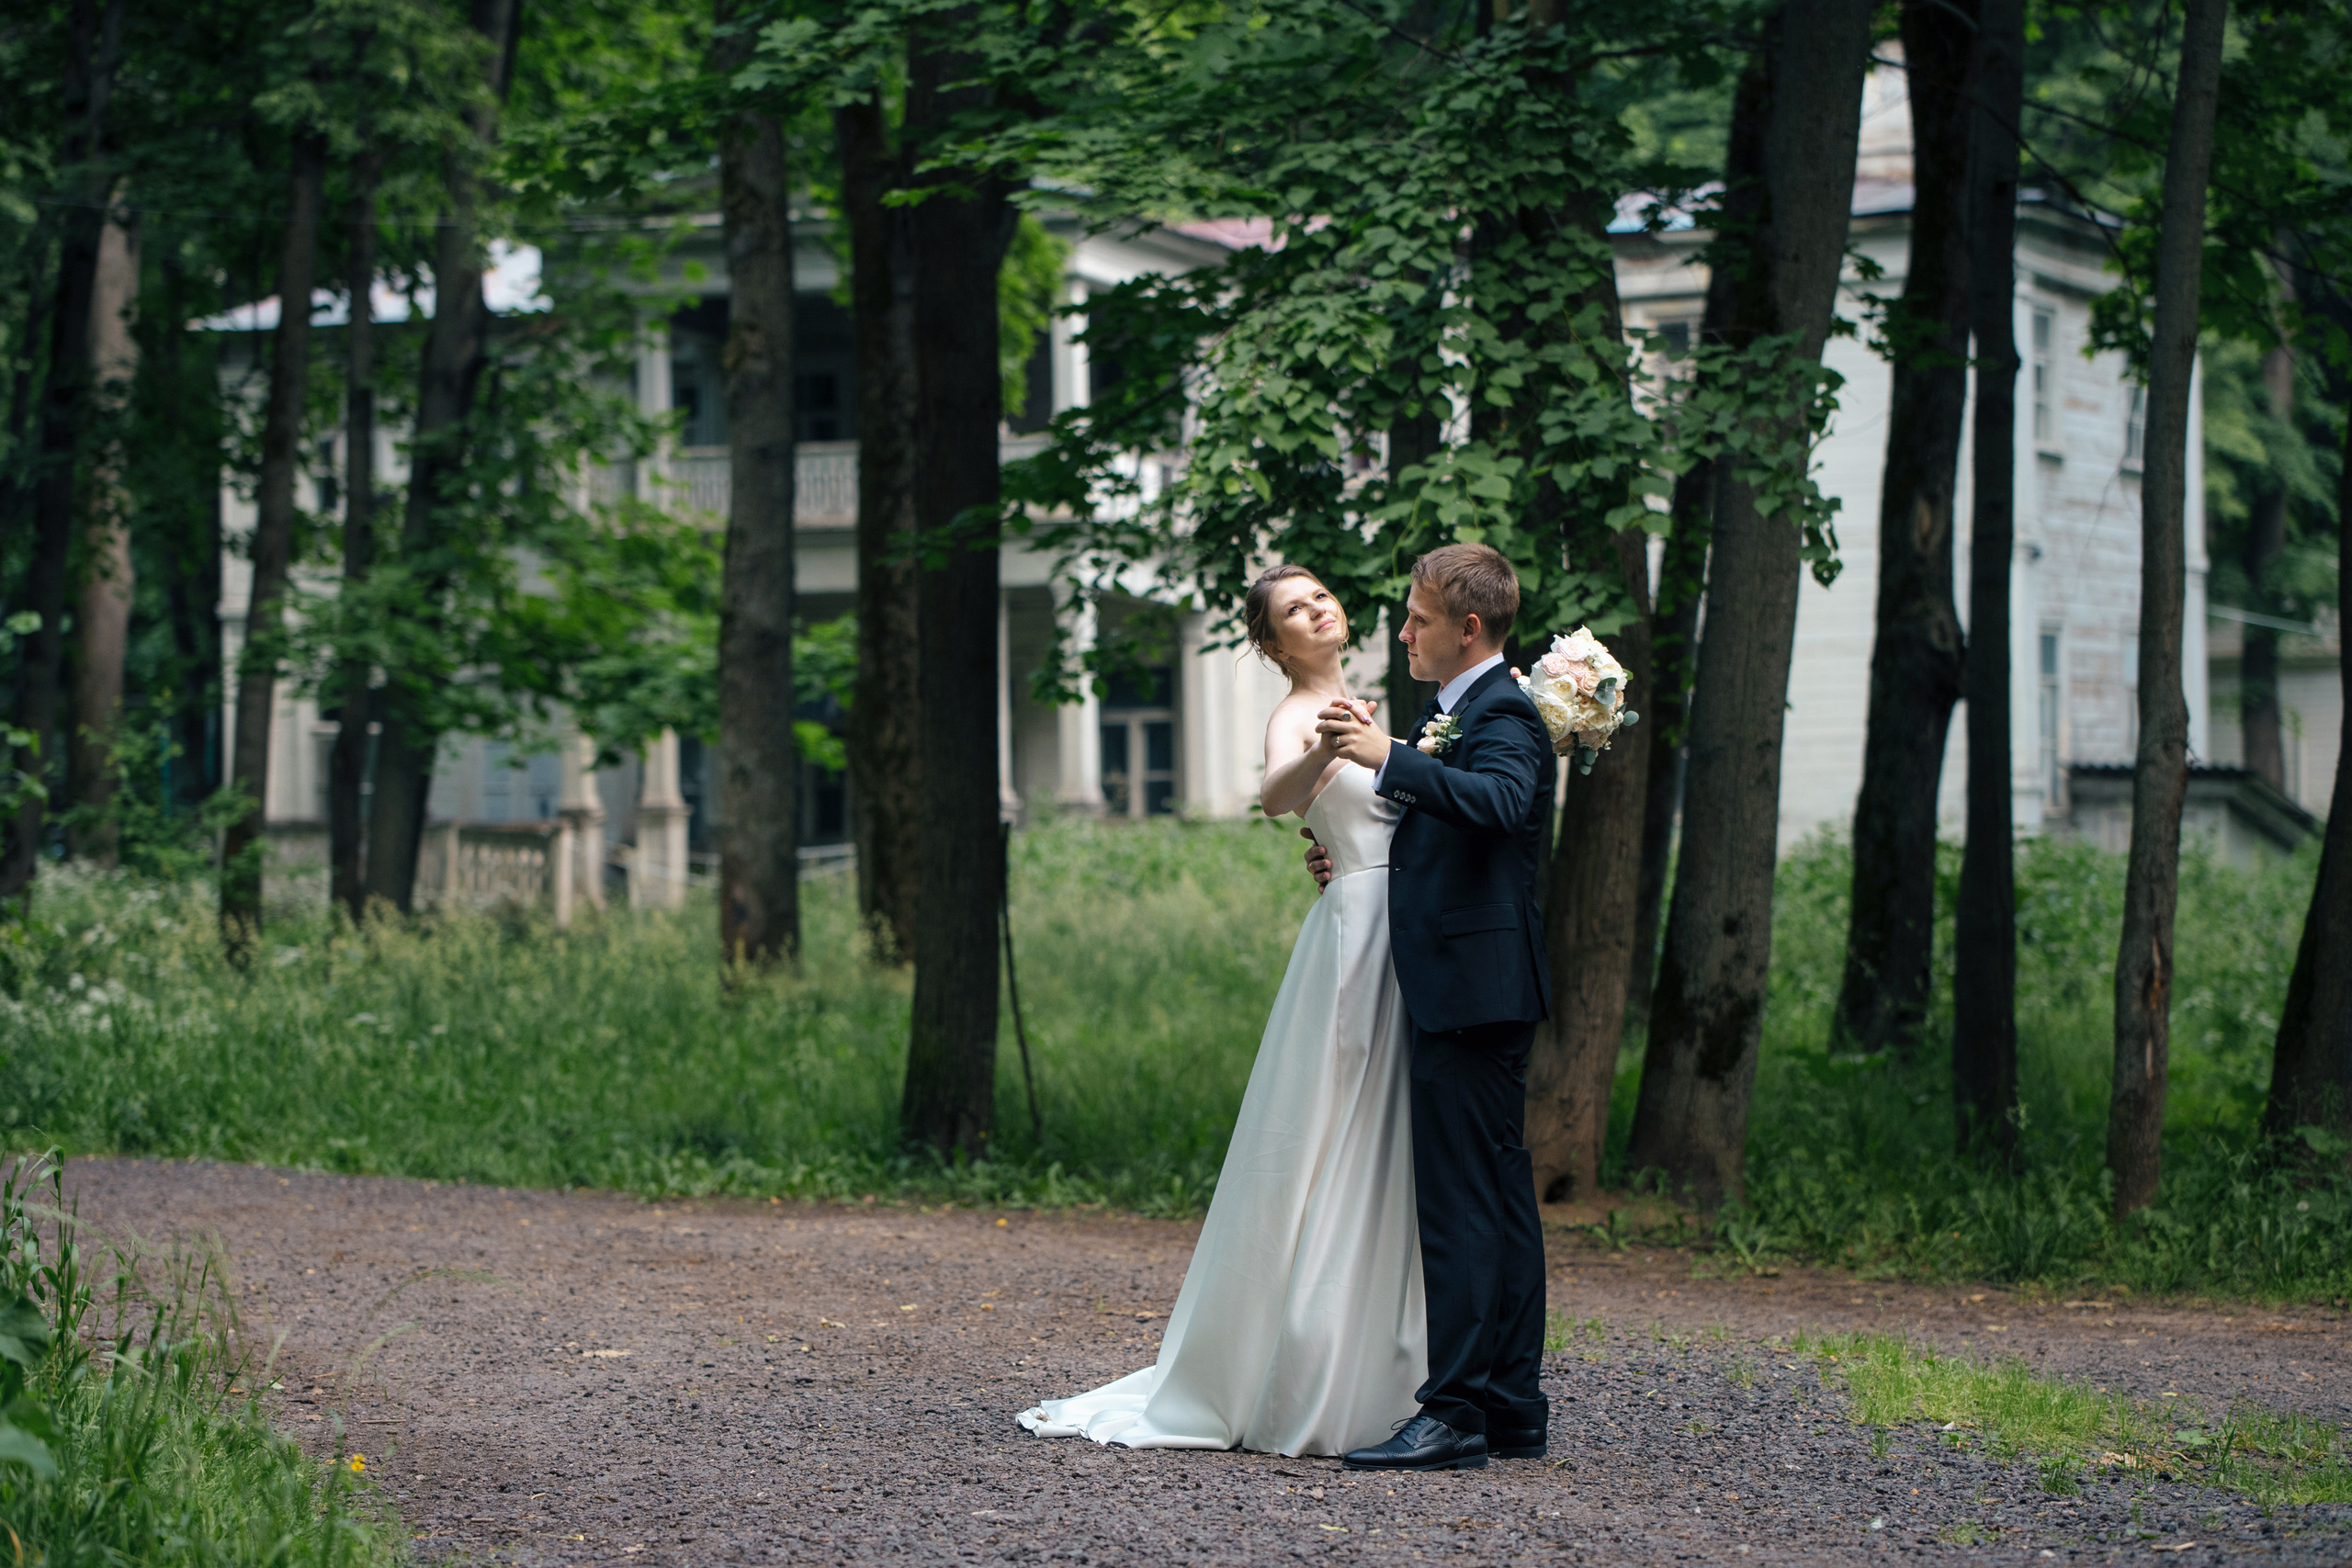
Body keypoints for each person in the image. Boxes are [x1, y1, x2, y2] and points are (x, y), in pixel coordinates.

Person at [1015, 563, 1426, 1457]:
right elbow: (1277, 797)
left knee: (1381, 1137)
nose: (1316, 611)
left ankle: (1381, 1353)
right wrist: (1325, 756)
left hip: (1399, 923)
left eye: (1320, 598)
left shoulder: (1369, 699)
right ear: (1274, 644)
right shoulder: (1297, 713)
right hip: (1358, 932)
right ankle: (1307, 1360)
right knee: (1340, 1129)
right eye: (1293, 610)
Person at [1308, 541, 1555, 1473]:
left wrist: (1387, 761)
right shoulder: (1458, 711)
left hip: (1472, 992)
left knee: (1461, 1207)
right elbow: (1456, 836)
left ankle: (1453, 1412)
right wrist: (1360, 860)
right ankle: (1507, 1407)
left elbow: (1496, 804)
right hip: (1469, 985)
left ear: (1469, 629)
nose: (1403, 631)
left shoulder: (1504, 713)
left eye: (1415, 619)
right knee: (1494, 1197)